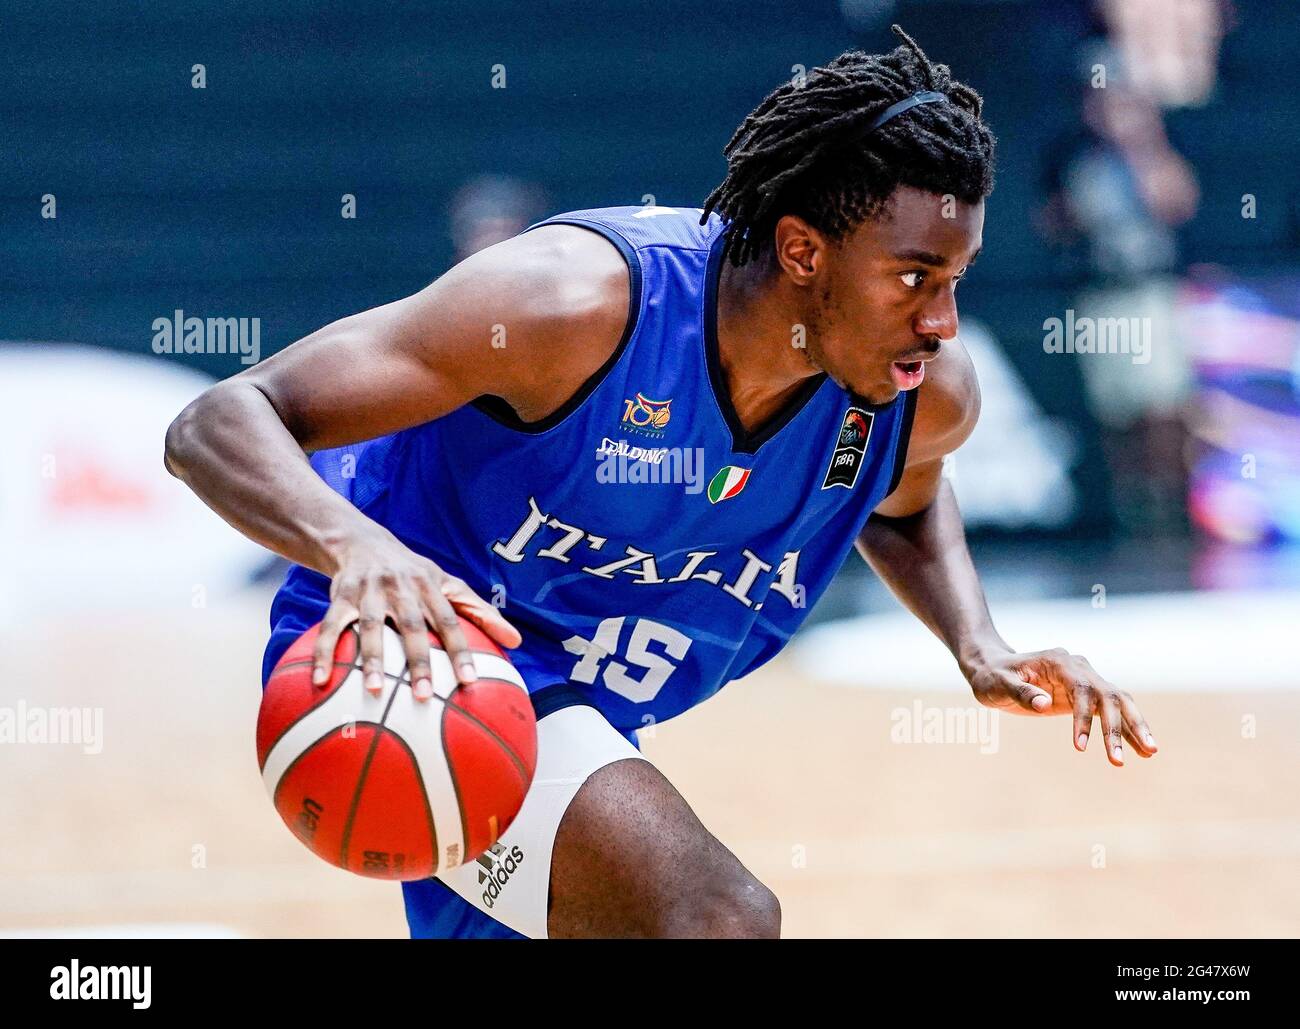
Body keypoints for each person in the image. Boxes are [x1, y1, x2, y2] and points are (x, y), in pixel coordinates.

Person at [165, 26, 1158, 939]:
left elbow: (901, 501)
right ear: (804, 251)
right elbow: (218, 421)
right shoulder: (568, 306)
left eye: (957, 279)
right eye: (913, 277)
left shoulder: (916, 393)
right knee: (716, 919)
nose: (941, 320)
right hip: (416, 662)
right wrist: (356, 547)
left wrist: (975, 642)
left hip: (584, 708)